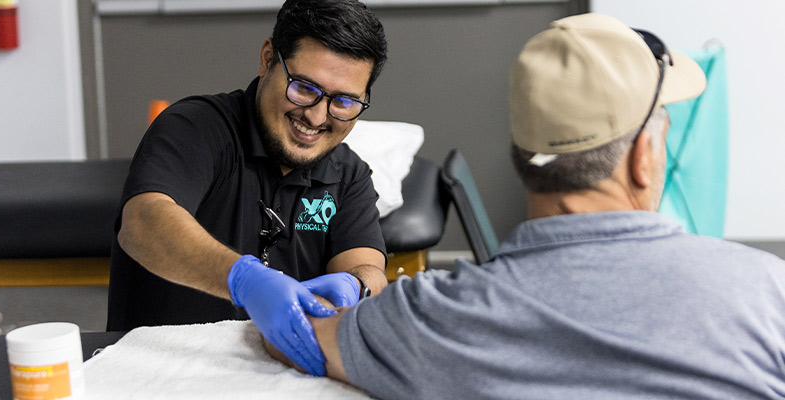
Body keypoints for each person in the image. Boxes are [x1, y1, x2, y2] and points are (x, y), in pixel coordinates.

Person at [266, 13, 785, 399]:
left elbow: (291, 335)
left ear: (522, 155)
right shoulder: (768, 294)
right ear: (644, 159)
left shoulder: (430, 319)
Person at [106, 0, 389, 377]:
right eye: (304, 88)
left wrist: (357, 287)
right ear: (268, 58)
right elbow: (143, 222)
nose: (317, 117)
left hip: (274, 379)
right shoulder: (196, 129)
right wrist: (243, 279)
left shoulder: (349, 174)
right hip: (160, 374)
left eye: (343, 102)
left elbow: (368, 267)